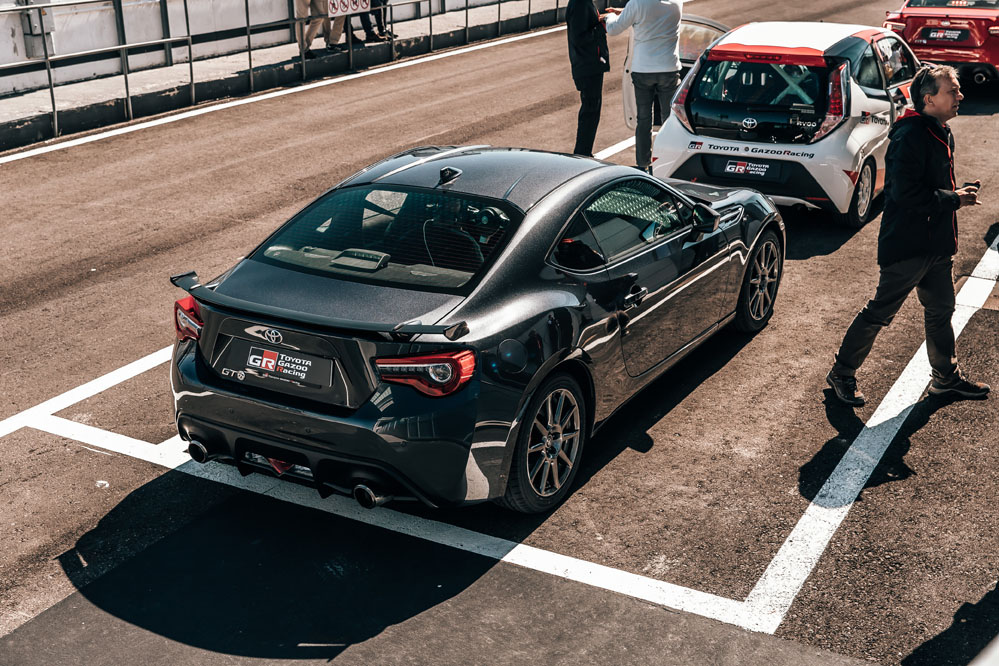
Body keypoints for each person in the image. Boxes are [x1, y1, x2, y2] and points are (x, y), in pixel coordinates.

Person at [826, 64, 990, 406]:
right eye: (952, 91)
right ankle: (842, 372)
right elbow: (904, 194)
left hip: (936, 244)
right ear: (929, 99)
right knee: (881, 311)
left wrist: (957, 192)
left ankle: (945, 378)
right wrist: (954, 199)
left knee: (941, 309)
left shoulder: (940, 130)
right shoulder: (910, 136)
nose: (961, 95)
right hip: (909, 245)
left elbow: (929, 186)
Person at [602, 0, 682, 172]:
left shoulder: (637, 3)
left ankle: (643, 164)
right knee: (670, 120)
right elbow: (654, 10)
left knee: (644, 119)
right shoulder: (676, 2)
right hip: (669, 68)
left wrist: (610, 17)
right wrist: (624, 11)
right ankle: (668, 163)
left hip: (643, 70)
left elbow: (613, 29)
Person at [566, 0, 609, 157]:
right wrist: (603, 26)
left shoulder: (583, 3)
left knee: (592, 110)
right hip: (587, 65)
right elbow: (580, 37)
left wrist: (600, 20)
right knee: (590, 110)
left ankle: (584, 152)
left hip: (589, 64)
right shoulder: (580, 4)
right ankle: (582, 153)